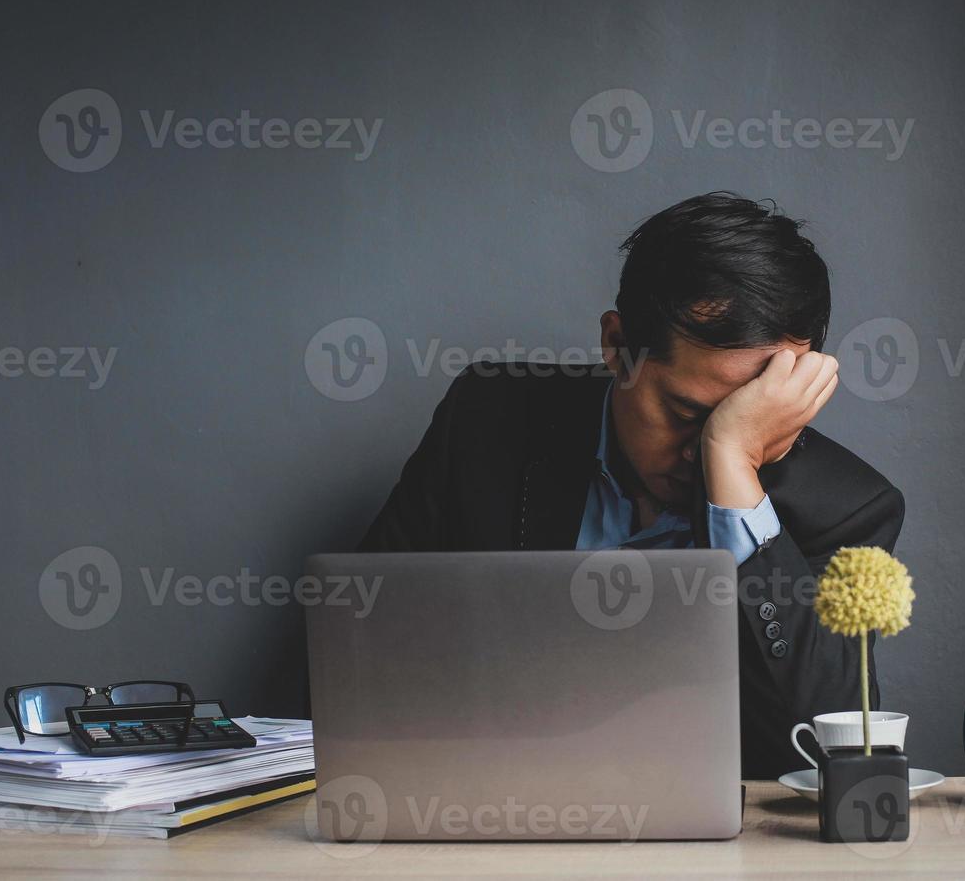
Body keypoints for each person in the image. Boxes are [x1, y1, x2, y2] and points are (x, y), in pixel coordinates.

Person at [358, 192, 906, 777]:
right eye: (690, 415)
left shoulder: (851, 509)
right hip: (484, 809)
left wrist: (734, 465)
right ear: (618, 348)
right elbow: (365, 641)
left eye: (747, 417)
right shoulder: (486, 420)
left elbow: (832, 757)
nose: (701, 453)